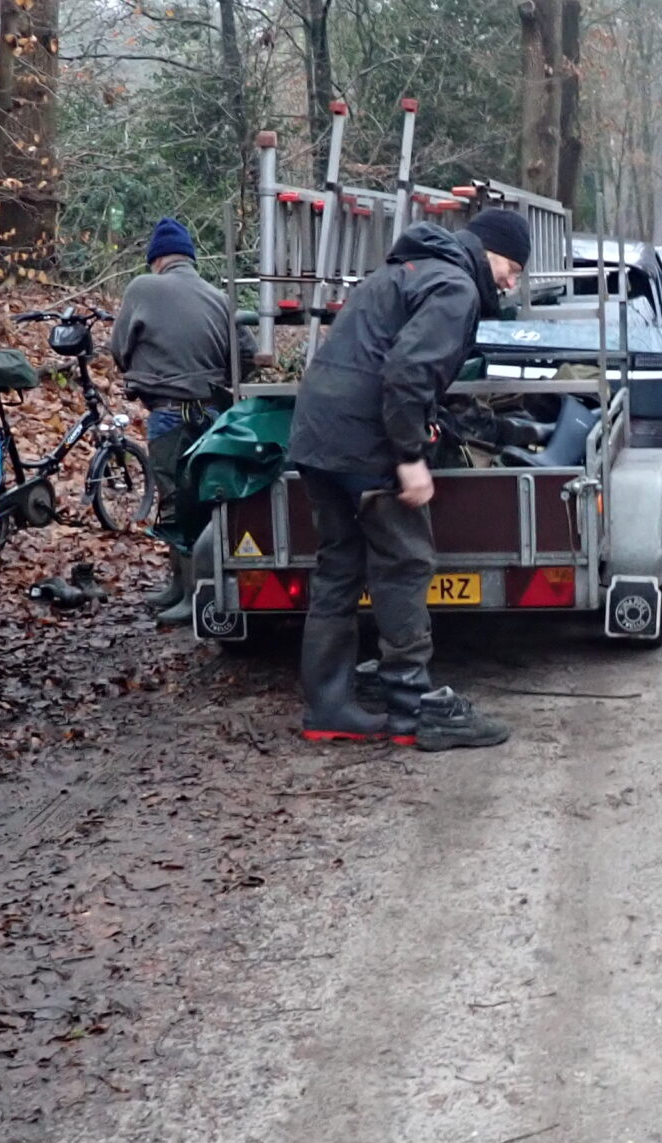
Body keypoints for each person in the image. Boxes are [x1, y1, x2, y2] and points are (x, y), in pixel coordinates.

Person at [286, 207, 535, 751]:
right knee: (405, 561)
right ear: (485, 250)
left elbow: (378, 356)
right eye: (511, 267)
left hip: (316, 432)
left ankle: (328, 707)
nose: (511, 282)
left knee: (339, 565)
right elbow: (406, 371)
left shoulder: (404, 270)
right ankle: (413, 708)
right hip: (365, 441)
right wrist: (409, 457)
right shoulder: (455, 287)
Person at [113, 217, 251, 627]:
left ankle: (192, 594)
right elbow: (247, 352)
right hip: (213, 413)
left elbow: (119, 347)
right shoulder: (218, 296)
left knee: (175, 500)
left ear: (156, 259)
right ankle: (181, 585)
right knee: (207, 496)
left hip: (170, 412)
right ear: (189, 258)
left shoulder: (143, 287)